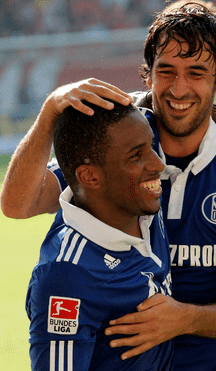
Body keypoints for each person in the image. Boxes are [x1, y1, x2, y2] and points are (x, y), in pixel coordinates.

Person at [3, 4, 216, 370]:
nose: (178, 88)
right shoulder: (119, 139)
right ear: (148, 76)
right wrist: (51, 110)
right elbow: (19, 204)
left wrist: (182, 318)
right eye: (166, 71)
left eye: (197, 73)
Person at [26, 100, 172, 370]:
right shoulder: (67, 277)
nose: (158, 164)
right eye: (136, 156)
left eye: (151, 147)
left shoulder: (140, 206)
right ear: (90, 177)